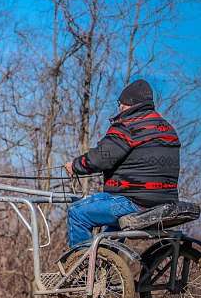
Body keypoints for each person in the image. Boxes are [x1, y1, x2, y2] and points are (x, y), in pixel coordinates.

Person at [64, 79, 180, 248]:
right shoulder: (167, 128)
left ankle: (83, 272)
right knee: (101, 208)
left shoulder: (128, 125)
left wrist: (75, 166)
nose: (118, 107)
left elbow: (100, 158)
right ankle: (106, 266)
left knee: (77, 212)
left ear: (128, 104)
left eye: (120, 103)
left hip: (134, 201)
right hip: (164, 200)